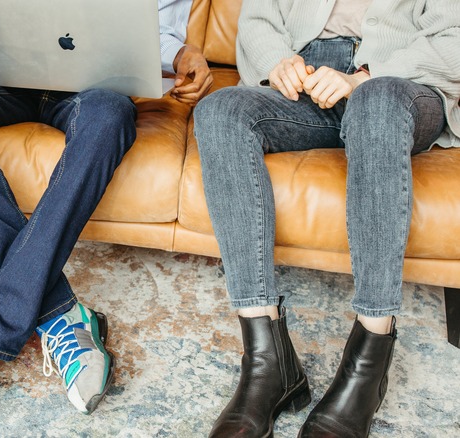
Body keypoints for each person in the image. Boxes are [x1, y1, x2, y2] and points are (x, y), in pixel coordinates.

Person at [0, 1, 212, 436]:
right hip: (8, 70)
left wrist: (181, 56)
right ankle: (59, 314)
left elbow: (153, 26)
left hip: (96, 81)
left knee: (110, 116)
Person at [193, 0, 459, 436]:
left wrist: (364, 76)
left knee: (377, 100)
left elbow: (455, 39)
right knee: (220, 111)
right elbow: (258, 19)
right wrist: (277, 64)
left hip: (400, 83)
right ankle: (268, 362)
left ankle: (368, 365)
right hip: (309, 83)